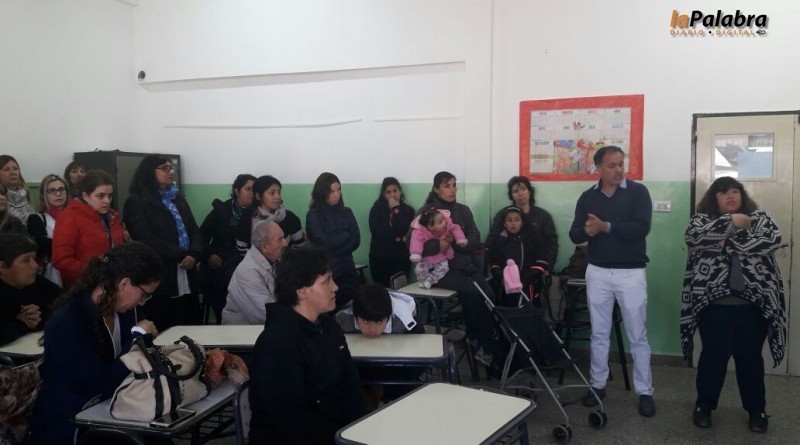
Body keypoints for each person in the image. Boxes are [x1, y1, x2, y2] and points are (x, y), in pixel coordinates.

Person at [30, 242, 163, 445]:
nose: (143, 302)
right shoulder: (69, 321)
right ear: (124, 283)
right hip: (72, 422)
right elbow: (101, 384)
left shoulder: (126, 310)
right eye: (144, 294)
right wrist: (138, 338)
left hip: (113, 410)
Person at [681, 176, 786, 433]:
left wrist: (724, 242)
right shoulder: (701, 220)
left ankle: (756, 410)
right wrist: (731, 222)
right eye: (723, 192)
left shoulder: (760, 218)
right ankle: (704, 407)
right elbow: (693, 237)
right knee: (712, 358)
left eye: (735, 191)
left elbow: (772, 239)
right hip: (713, 305)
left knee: (750, 359)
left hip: (754, 305)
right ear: (713, 197)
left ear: (742, 195)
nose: (730, 196)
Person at [568, 145, 655, 417]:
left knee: (637, 335)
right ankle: (597, 385)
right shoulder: (588, 197)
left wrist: (605, 227)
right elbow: (574, 234)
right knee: (599, 333)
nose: (619, 170)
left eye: (621, 164)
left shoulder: (638, 192)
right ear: (598, 168)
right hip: (598, 272)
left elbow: (642, 228)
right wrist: (588, 229)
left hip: (631, 273)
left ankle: (645, 392)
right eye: (612, 165)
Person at [249, 247, 367, 445]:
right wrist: (343, 439)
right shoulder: (278, 343)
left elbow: (350, 385)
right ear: (301, 290)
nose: (335, 287)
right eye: (327, 281)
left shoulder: (328, 326)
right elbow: (294, 421)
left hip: (336, 433)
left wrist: (362, 428)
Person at [411, 171, 499, 368]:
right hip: (438, 270)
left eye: (454, 185)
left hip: (464, 266)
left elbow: (475, 238)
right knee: (472, 292)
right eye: (446, 186)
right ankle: (478, 341)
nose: (452, 190)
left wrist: (456, 242)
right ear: (436, 189)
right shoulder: (425, 212)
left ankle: (483, 342)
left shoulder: (463, 211)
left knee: (489, 295)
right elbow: (411, 244)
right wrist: (438, 245)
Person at [123, 155, 203, 330]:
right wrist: (181, 254)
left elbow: (193, 229)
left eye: (171, 167)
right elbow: (145, 239)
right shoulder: (137, 202)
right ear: (150, 172)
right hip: (160, 274)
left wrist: (194, 254)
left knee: (190, 324)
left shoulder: (178, 199)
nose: (171, 171)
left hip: (187, 272)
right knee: (164, 326)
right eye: (165, 168)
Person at [336, 283, 423, 407]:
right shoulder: (343, 319)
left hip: (395, 367)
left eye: (379, 322)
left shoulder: (405, 322)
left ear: (388, 317)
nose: (372, 329)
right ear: (355, 316)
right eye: (365, 321)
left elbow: (421, 356)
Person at [52, 170, 125, 288]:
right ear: (85, 196)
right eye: (101, 196)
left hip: (112, 284)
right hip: (84, 286)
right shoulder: (70, 216)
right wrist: (94, 275)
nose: (107, 201)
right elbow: (61, 260)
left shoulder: (112, 217)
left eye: (110, 196)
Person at [200, 173, 256, 322]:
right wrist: (209, 255)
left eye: (254, 189)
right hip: (220, 268)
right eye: (248, 189)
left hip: (247, 267)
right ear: (237, 190)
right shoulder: (221, 211)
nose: (252, 193)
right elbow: (201, 237)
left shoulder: (258, 214)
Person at [306, 172, 360, 309]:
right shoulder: (313, 215)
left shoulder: (347, 212)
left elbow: (356, 240)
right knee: (331, 306)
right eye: (331, 191)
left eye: (338, 190)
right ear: (322, 193)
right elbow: (323, 243)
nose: (336, 194)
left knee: (352, 304)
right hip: (327, 268)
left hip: (348, 267)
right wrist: (345, 235)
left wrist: (336, 249)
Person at [486, 176, 558, 273]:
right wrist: (494, 268)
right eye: (515, 191)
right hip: (507, 270)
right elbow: (492, 241)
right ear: (511, 195)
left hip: (537, 269)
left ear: (529, 192)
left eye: (523, 189)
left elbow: (552, 244)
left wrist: (548, 268)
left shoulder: (543, 216)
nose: (520, 194)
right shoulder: (503, 215)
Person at [0, 234, 61, 346]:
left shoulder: (38, 283)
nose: (35, 265)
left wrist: (38, 317)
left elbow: (66, 305)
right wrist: (21, 323)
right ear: (2, 267)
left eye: (34, 258)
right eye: (26, 260)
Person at [221, 220, 287, 325]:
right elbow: (266, 314)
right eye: (280, 239)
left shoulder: (274, 261)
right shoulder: (247, 273)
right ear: (265, 247)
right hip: (243, 332)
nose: (285, 243)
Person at [488, 207, 549, 307]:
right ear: (504, 224)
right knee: (507, 312)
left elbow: (542, 262)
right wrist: (503, 278)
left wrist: (524, 279)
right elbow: (494, 264)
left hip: (528, 286)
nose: (513, 223)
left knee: (527, 312)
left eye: (517, 220)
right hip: (506, 287)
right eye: (509, 220)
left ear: (522, 223)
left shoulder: (532, 239)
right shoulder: (500, 241)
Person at [236, 175, 306, 254]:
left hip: (285, 260)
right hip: (253, 260)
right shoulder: (247, 217)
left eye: (279, 192)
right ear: (258, 196)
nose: (278, 197)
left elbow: (299, 249)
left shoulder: (291, 218)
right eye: (272, 193)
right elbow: (241, 249)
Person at [367, 177, 415, 287]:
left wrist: (396, 210)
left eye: (395, 191)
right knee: (381, 292)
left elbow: (404, 230)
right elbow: (377, 233)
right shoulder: (376, 210)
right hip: (379, 257)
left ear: (400, 191)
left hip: (401, 257)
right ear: (383, 194)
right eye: (388, 192)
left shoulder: (408, 211)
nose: (392, 195)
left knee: (400, 291)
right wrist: (398, 238)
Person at [408, 208, 468, 289]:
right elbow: (416, 241)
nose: (444, 222)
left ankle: (430, 280)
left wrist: (460, 239)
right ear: (430, 227)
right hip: (427, 259)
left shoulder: (447, 225)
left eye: (443, 219)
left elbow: (455, 228)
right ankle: (423, 281)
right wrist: (416, 253)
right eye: (440, 222)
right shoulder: (419, 232)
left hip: (442, 257)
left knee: (444, 267)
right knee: (420, 268)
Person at [27, 174, 69, 286]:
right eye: (52, 191)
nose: (58, 194)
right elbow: (40, 245)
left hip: (75, 274)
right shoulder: (36, 219)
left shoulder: (76, 216)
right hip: (50, 276)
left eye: (61, 189)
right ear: (43, 195)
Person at [0, 155, 35, 223]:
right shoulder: (1, 201)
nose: (13, 172)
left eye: (15, 169)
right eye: (7, 169)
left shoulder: (24, 194)